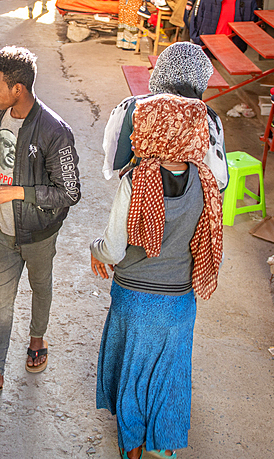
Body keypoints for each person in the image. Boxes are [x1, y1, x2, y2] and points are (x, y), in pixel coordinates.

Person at [90, 95, 224, 459]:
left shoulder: (137, 179)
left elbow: (114, 249)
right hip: (180, 300)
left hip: (135, 297)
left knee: (133, 371)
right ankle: (163, 443)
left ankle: (131, 447)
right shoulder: (206, 181)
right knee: (170, 373)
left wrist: (95, 249)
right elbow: (205, 240)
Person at [0, 46, 81, 396]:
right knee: (1, 299)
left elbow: (69, 192)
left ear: (18, 89)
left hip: (39, 232)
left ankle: (37, 338)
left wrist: (17, 193)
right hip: (2, 230)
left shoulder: (55, 131)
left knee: (41, 287)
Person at [103, 42, 229, 190]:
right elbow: (221, 181)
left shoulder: (134, 107)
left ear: (160, 70)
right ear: (201, 78)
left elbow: (116, 161)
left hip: (142, 199)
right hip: (190, 204)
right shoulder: (208, 118)